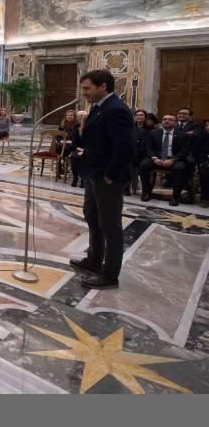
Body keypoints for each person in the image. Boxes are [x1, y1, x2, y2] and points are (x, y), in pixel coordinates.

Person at [69, 69, 134, 290]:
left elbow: (124, 147)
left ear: (103, 86)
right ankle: (94, 260)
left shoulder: (116, 109)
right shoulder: (98, 109)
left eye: (87, 88)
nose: (84, 93)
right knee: (92, 218)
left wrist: (110, 176)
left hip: (106, 178)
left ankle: (109, 274)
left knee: (110, 226)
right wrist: (80, 126)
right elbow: (89, 141)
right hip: (92, 174)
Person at [138, 114, 190, 206]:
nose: (167, 121)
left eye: (170, 119)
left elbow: (184, 151)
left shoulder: (182, 135)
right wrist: (154, 158)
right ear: (162, 121)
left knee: (180, 168)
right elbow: (148, 148)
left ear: (175, 122)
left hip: (174, 159)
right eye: (164, 119)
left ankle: (175, 196)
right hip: (156, 158)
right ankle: (146, 192)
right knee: (143, 165)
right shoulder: (153, 133)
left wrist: (173, 160)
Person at [125, 109, 151, 196]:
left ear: (145, 117)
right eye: (137, 115)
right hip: (133, 153)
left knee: (141, 163)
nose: (139, 117)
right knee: (127, 162)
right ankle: (126, 187)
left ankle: (145, 191)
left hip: (146, 154)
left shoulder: (151, 129)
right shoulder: (130, 128)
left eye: (141, 115)